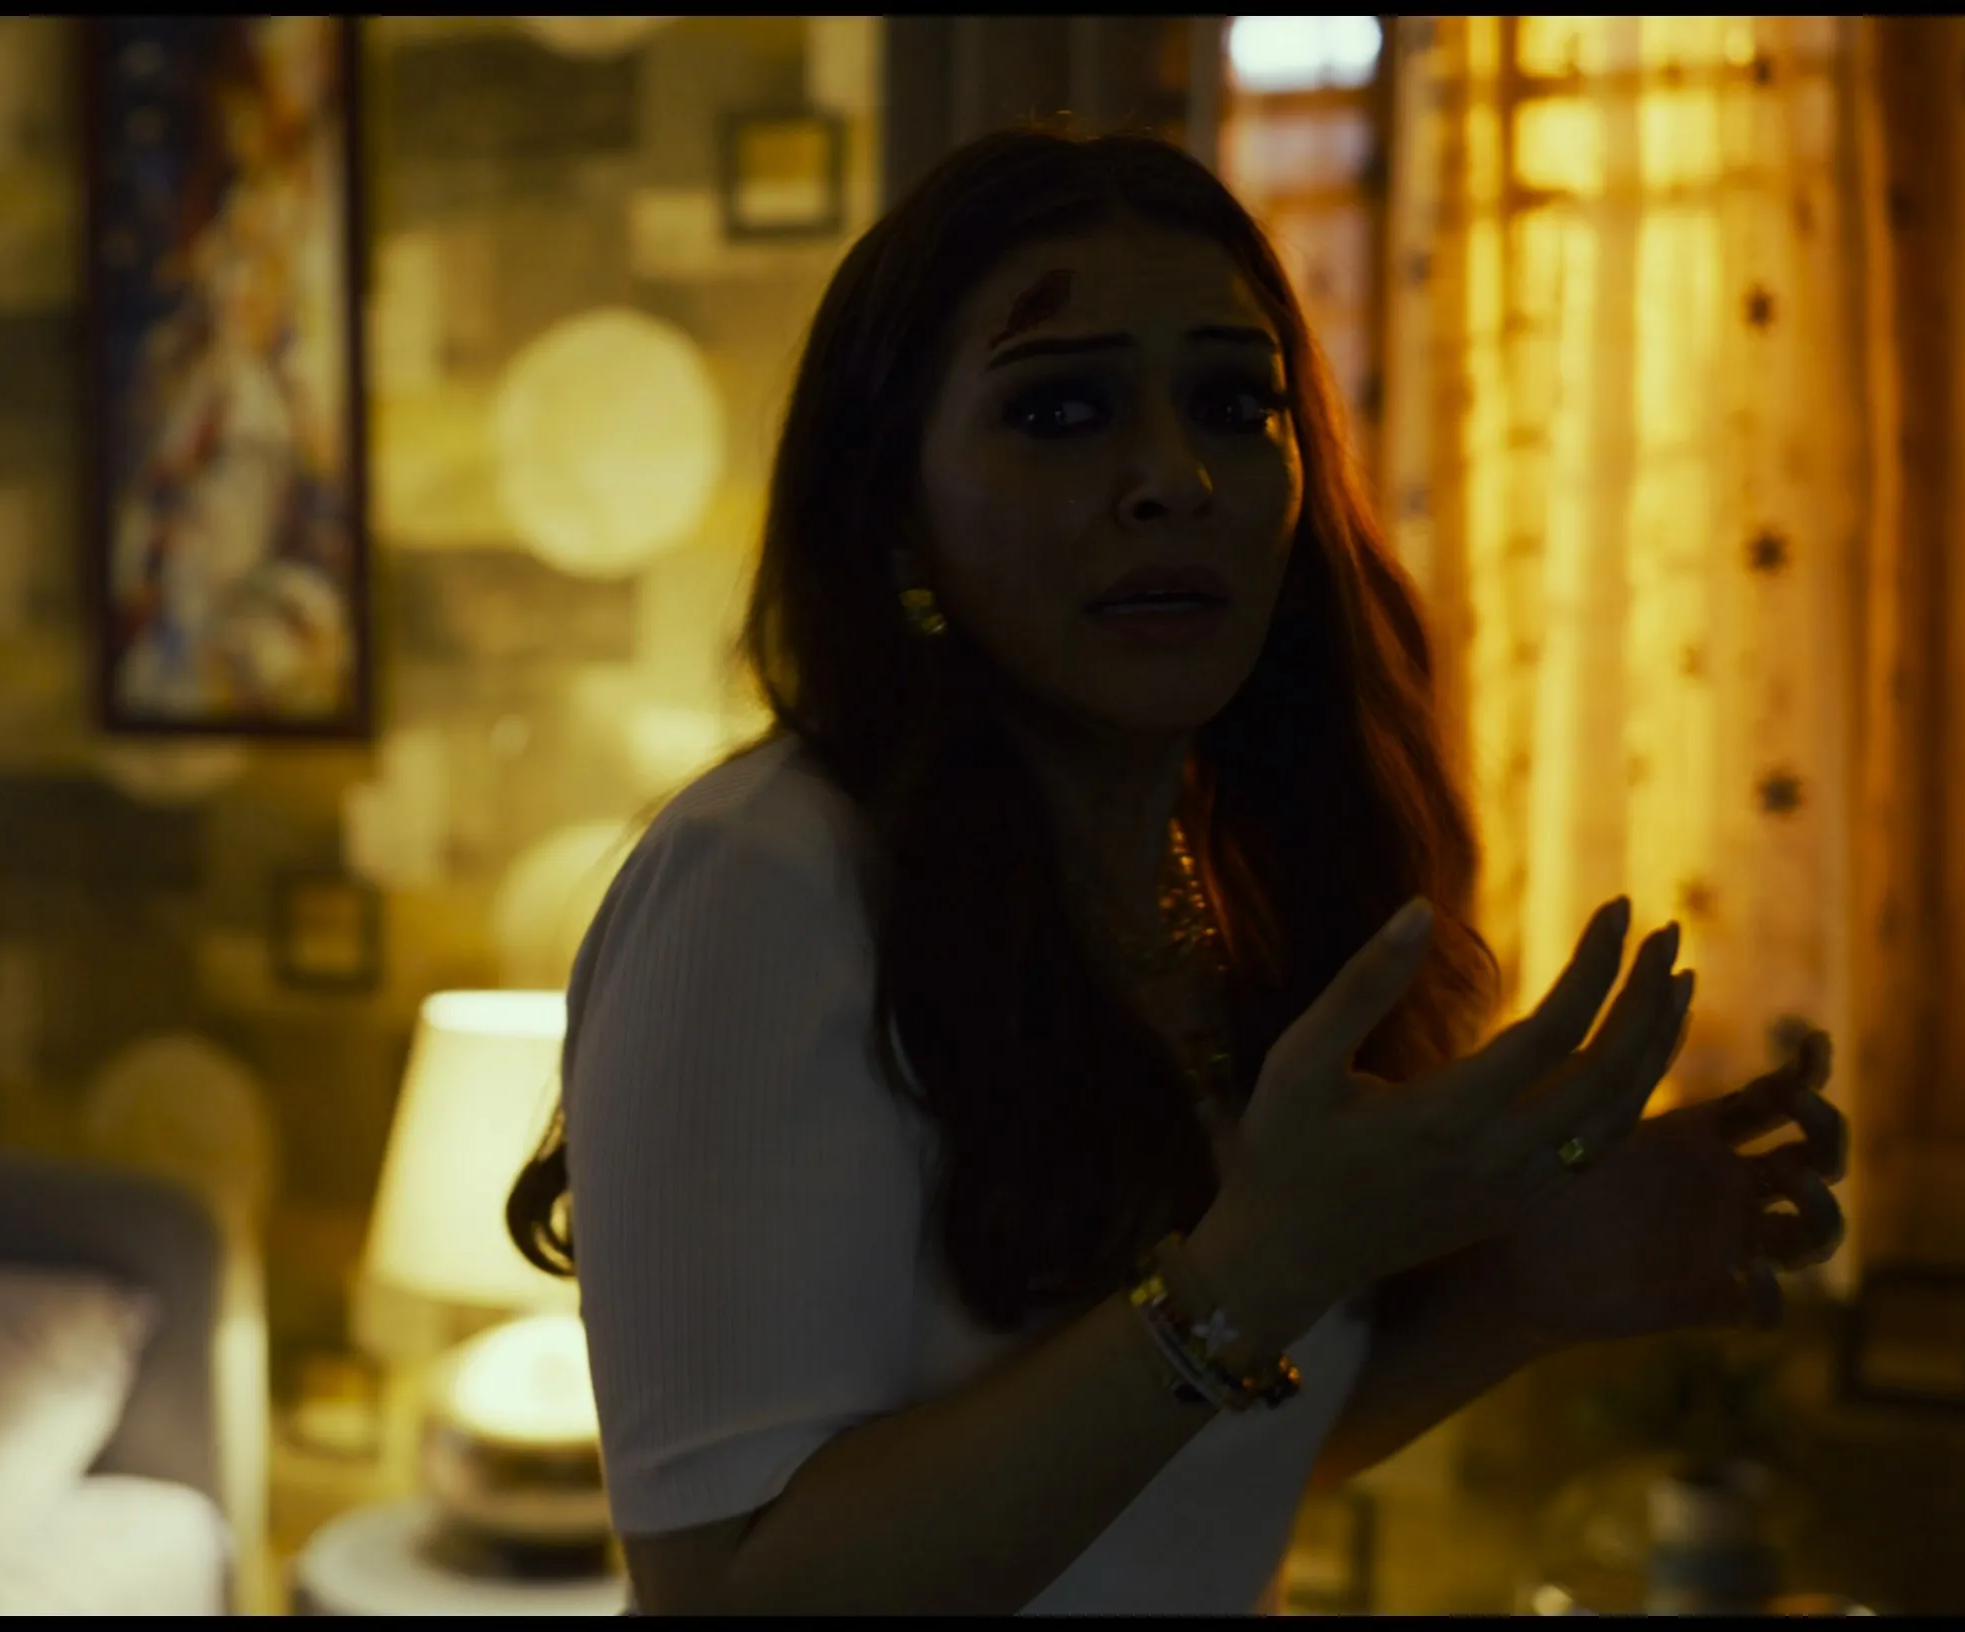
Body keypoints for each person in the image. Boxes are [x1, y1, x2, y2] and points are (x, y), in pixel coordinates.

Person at [500, 126, 1852, 1616]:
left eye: (1231, 402)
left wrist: (1531, 1289)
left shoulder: (1217, 880)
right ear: (891, 506)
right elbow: (725, 1596)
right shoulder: (764, 881)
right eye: (1059, 409)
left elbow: (1175, 1473)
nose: (1173, 476)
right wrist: (1248, 1272)